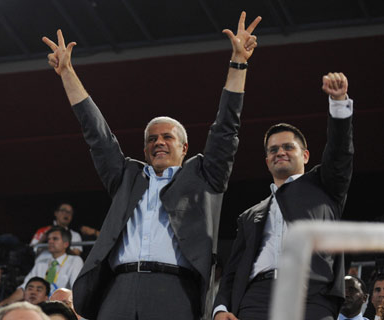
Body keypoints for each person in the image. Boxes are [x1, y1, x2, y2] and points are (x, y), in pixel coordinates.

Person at [42, 10, 261, 320]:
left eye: (167, 138)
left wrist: (239, 63)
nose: (158, 142)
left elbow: (227, 127)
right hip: (117, 290)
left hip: (175, 292)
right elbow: (97, 134)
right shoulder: (126, 177)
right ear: (144, 149)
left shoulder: (205, 175)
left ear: (184, 148)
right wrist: (67, 73)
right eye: (151, 139)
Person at [213, 71, 354, 320]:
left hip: (310, 296)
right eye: (273, 149)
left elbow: (340, 152)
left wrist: (339, 103)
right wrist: (221, 308)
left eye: (289, 147)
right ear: (267, 160)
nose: (280, 152)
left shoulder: (325, 186)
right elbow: (233, 270)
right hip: (256, 298)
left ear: (306, 156)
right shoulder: (249, 216)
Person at [1, 226, 83, 305]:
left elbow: (77, 291)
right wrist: (1, 305)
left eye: (55, 239)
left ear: (66, 244)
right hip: (39, 307)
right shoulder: (41, 261)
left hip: (62, 307)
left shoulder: (75, 261)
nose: (50, 242)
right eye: (49, 239)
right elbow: (24, 288)